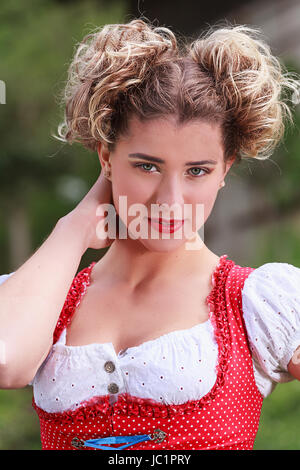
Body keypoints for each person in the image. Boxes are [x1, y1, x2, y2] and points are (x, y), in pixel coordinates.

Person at [0, 17, 300, 451]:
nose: (171, 200)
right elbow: (7, 360)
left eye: (197, 171)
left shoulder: (260, 304)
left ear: (225, 169)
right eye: (147, 166)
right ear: (106, 157)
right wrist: (76, 226)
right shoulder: (43, 297)